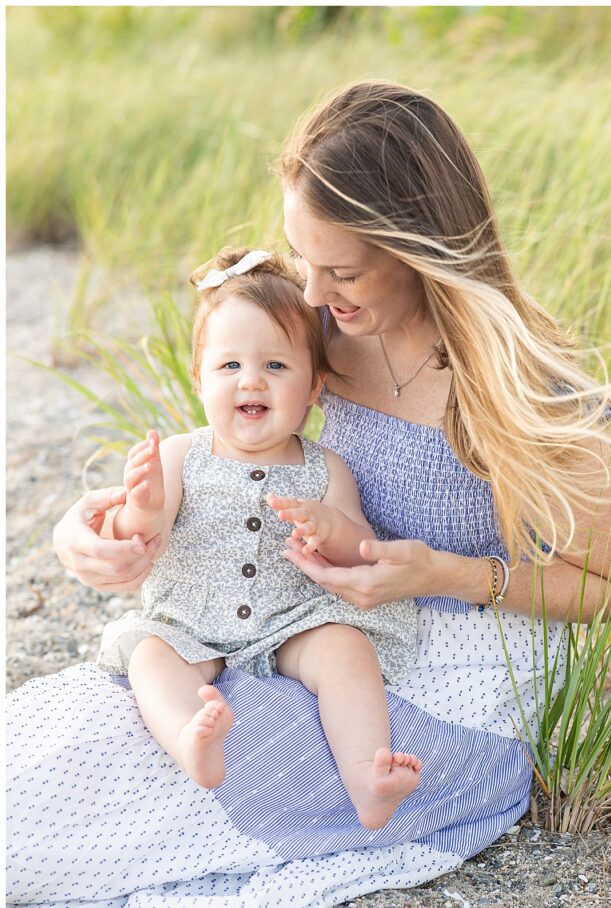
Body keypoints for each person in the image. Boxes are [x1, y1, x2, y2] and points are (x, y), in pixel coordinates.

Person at [7, 80, 611, 908]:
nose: (313, 292)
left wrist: (442, 573)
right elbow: (210, 458)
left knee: (166, 771)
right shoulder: (318, 345)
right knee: (108, 714)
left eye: (341, 271)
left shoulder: (520, 387)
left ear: (419, 247)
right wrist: (85, 530)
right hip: (286, 629)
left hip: (453, 682)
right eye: (305, 262)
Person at [97, 245, 421, 825]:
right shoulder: (178, 457)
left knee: (346, 647)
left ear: (314, 387)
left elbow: (360, 554)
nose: (252, 381)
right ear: (199, 379)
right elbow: (136, 541)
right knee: (149, 656)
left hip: (291, 621)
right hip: (189, 623)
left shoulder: (326, 469)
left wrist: (333, 529)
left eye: (276, 366)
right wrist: (141, 508)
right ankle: (190, 740)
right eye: (229, 367)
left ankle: (369, 778)